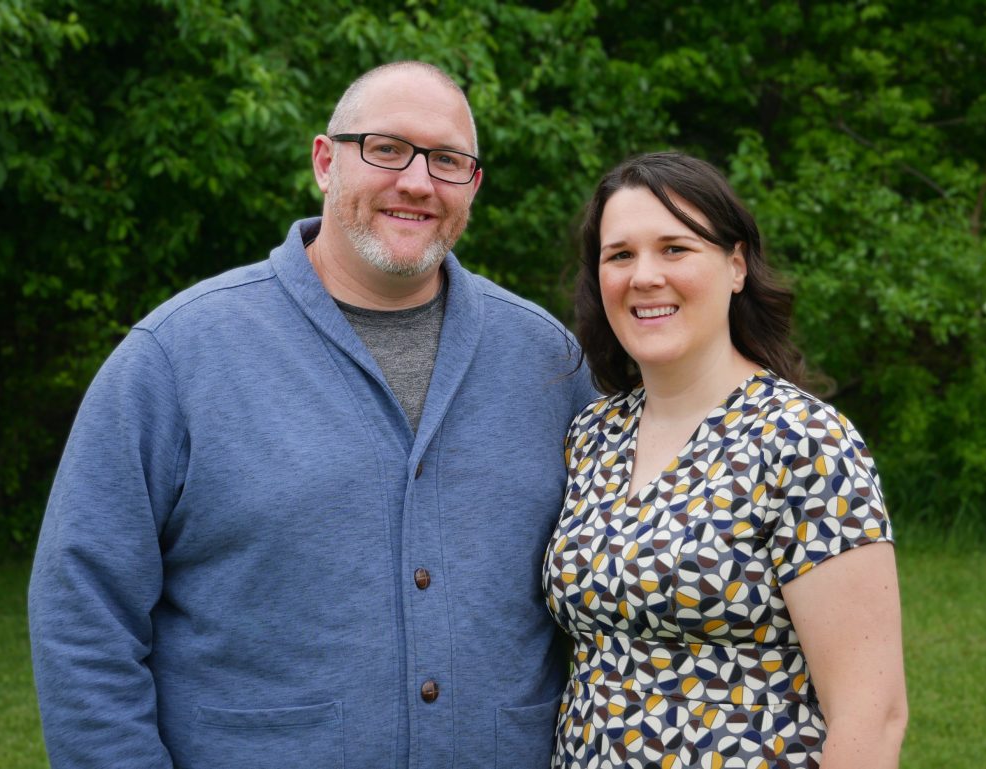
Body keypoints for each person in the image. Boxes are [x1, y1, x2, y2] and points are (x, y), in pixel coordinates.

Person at [29, 60, 595, 769]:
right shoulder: (177, 356)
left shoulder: (549, 362)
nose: (417, 181)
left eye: (448, 160)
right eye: (386, 149)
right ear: (325, 162)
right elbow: (82, 615)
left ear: (473, 185)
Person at [542, 152, 908, 768]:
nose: (644, 276)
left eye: (675, 249)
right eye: (620, 255)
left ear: (736, 265)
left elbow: (872, 716)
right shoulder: (593, 435)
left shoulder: (803, 441)